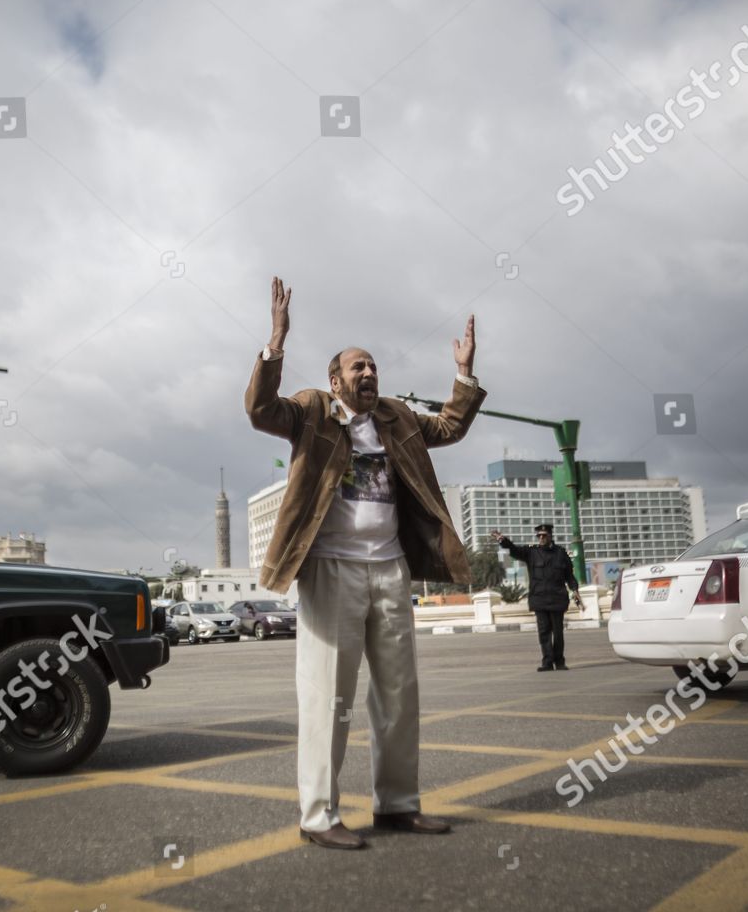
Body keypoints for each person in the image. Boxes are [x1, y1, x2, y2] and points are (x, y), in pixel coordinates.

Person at [245, 276, 485, 851]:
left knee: (399, 692)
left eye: (373, 366)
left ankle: (398, 805)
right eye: (358, 368)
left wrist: (464, 375)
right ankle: (319, 815)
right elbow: (259, 410)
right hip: (331, 569)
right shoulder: (311, 412)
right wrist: (275, 343)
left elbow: (449, 427)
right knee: (328, 694)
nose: (369, 374)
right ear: (335, 380)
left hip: (390, 569)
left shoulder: (397, 418)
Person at [490, 523, 582, 671]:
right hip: (539, 599)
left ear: (550, 536)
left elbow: (569, 576)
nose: (541, 538)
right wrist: (502, 540)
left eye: (544, 535)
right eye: (539, 536)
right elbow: (514, 550)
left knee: (558, 633)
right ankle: (547, 662)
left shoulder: (561, 554)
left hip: (557, 598)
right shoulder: (531, 552)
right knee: (544, 632)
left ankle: (559, 662)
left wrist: (575, 590)